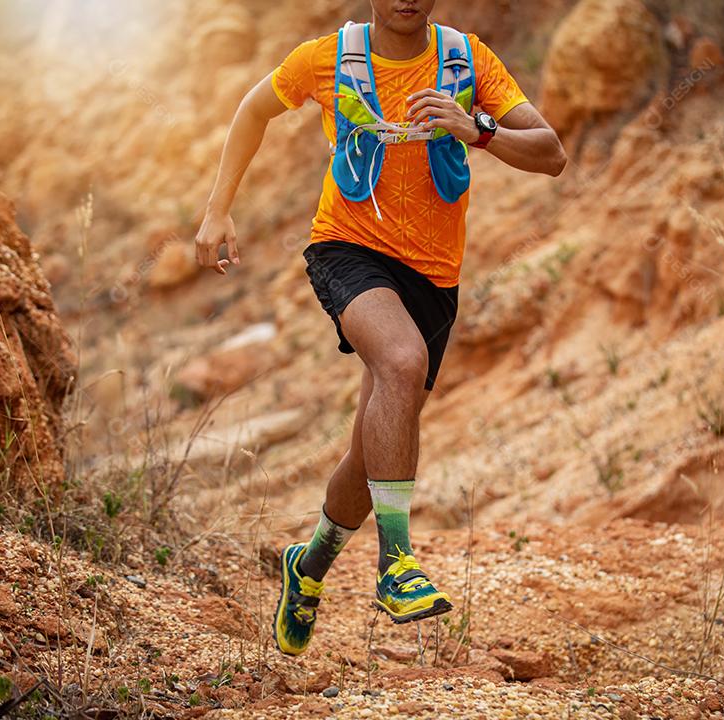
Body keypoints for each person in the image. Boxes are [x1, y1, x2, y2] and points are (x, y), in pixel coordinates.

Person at [195, 0, 566, 656]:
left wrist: (476, 128)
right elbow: (253, 109)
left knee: (372, 457)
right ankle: (397, 565)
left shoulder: (468, 60)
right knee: (401, 360)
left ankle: (306, 568)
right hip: (347, 249)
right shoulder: (326, 60)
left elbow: (551, 152)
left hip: (435, 279)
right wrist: (218, 210)